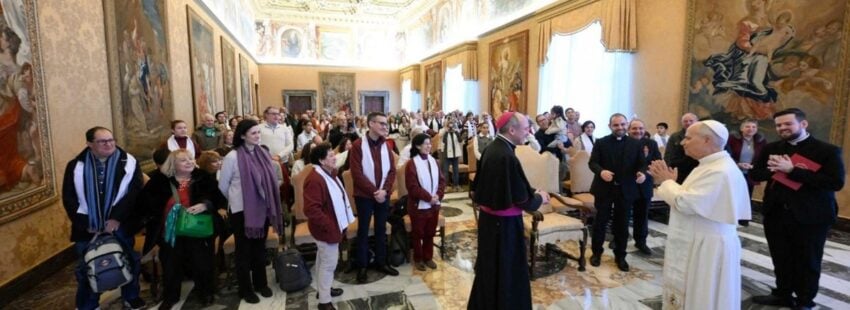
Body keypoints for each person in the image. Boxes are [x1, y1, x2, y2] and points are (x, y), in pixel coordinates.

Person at [647, 120, 751, 310]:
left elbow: (686, 203)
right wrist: (672, 183)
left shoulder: (719, 170)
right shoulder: (708, 165)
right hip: (699, 239)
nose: (682, 142)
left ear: (706, 140)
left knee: (703, 296)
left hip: (706, 247)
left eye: (688, 137)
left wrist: (665, 182)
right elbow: (695, 200)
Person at [749, 108, 845, 309]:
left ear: (803, 124)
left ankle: (805, 300)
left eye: (787, 124)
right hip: (776, 212)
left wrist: (792, 170)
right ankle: (783, 294)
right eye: (778, 125)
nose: (782, 128)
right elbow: (756, 174)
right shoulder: (771, 148)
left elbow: (835, 183)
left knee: (808, 260)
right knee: (780, 256)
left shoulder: (827, 150)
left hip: (811, 215)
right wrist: (772, 170)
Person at [468, 112, 550, 310]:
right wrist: (540, 198)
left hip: (490, 222)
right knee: (507, 271)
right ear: (512, 130)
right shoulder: (506, 155)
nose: (528, 132)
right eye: (525, 129)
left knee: (490, 269)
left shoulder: (494, 148)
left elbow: (503, 186)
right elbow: (522, 199)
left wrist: (531, 191)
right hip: (504, 228)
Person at [62, 126, 145, 310]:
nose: (109, 144)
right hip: (87, 228)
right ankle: (88, 304)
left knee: (129, 261)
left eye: (111, 140)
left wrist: (116, 218)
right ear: (90, 144)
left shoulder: (128, 162)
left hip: (120, 225)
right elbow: (69, 198)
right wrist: (86, 224)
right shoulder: (76, 166)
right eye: (102, 141)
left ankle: (131, 297)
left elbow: (134, 193)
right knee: (88, 267)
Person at [140, 149, 225, 308]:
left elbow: (219, 199)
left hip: (197, 230)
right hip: (170, 231)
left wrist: (205, 204)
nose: (190, 162)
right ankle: (171, 296)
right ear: (173, 164)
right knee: (171, 264)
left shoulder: (203, 177)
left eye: (191, 159)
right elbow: (146, 204)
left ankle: (206, 292)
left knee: (202, 262)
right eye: (184, 160)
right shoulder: (159, 180)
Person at [219, 119, 285, 303]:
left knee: (259, 248)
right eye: (253, 133)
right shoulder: (232, 157)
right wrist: (240, 198)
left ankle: (261, 284)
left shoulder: (262, 153)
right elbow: (223, 185)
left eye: (258, 132)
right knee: (243, 251)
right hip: (241, 210)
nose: (258, 136)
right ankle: (245, 289)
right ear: (242, 135)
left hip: (261, 208)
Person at [588, 113, 646, 272]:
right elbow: (593, 163)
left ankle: (620, 256)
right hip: (604, 189)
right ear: (610, 126)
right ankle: (596, 254)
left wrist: (641, 173)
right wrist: (601, 172)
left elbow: (641, 164)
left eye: (622, 124)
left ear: (626, 125)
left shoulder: (635, 144)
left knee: (622, 224)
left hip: (625, 189)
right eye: (616, 125)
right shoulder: (601, 142)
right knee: (600, 223)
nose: (620, 127)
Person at [348, 112, 399, 283]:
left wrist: (384, 190)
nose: (386, 127)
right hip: (364, 196)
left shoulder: (387, 145)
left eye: (386, 124)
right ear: (370, 124)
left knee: (380, 229)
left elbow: (392, 171)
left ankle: (381, 262)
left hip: (383, 195)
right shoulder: (357, 145)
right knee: (363, 230)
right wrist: (374, 192)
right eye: (382, 123)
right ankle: (362, 266)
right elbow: (356, 173)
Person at [303, 143, 355, 310]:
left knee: (322, 259)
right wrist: (330, 226)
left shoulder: (327, 172)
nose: (335, 157)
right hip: (326, 229)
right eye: (331, 155)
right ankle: (324, 302)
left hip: (330, 226)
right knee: (329, 264)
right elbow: (312, 210)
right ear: (321, 160)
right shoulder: (315, 179)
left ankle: (323, 290)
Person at [405, 133, 446, 271]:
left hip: (434, 205)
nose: (429, 146)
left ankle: (428, 257)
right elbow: (412, 187)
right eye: (426, 143)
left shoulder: (434, 161)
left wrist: (438, 196)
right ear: (417, 146)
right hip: (419, 205)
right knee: (418, 234)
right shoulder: (411, 164)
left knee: (430, 232)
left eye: (430, 143)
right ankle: (418, 258)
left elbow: (442, 180)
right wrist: (429, 198)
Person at [627, 119, 661, 255]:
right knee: (622, 215)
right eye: (634, 128)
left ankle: (641, 242)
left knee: (642, 215)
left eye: (641, 128)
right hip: (627, 185)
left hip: (645, 185)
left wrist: (645, 173)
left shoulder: (651, 144)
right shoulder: (623, 143)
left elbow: (657, 162)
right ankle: (618, 240)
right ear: (629, 130)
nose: (638, 131)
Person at [726, 119, 766, 195]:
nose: (751, 129)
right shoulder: (732, 139)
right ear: (741, 128)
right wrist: (737, 164)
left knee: (747, 196)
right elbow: (726, 154)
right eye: (747, 126)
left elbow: (763, 157)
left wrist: (754, 166)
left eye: (754, 127)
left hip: (751, 174)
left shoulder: (761, 141)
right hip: (734, 172)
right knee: (732, 195)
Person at [664, 113, 699, 183]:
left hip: (697, 171)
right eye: (685, 121)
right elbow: (668, 155)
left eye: (691, 121)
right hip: (679, 172)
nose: (688, 123)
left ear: (697, 122)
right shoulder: (674, 136)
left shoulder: (701, 136)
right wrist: (667, 170)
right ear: (682, 123)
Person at [440, 117, 463, 192]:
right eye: (449, 124)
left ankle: (456, 185)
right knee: (445, 171)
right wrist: (446, 131)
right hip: (447, 154)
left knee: (456, 170)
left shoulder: (456, 132)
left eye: (452, 124)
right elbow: (442, 141)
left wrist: (457, 131)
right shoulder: (445, 132)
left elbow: (460, 140)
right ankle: (445, 186)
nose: (451, 126)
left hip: (455, 154)